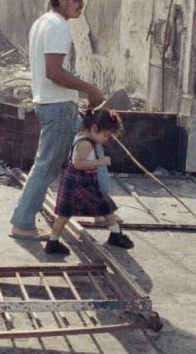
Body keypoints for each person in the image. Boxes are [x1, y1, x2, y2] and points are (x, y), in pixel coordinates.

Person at [10, 0, 105, 242]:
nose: (81, 5)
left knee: (92, 150)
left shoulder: (42, 23)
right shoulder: (58, 27)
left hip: (59, 105)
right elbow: (54, 71)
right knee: (47, 166)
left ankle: (101, 210)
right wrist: (91, 89)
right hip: (58, 107)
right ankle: (22, 222)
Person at [45, 108, 134, 252]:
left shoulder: (84, 136)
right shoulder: (85, 143)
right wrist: (101, 162)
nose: (106, 140)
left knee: (105, 205)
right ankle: (52, 243)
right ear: (94, 128)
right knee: (65, 214)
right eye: (105, 135)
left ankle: (115, 235)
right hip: (78, 182)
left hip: (82, 181)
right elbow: (78, 164)